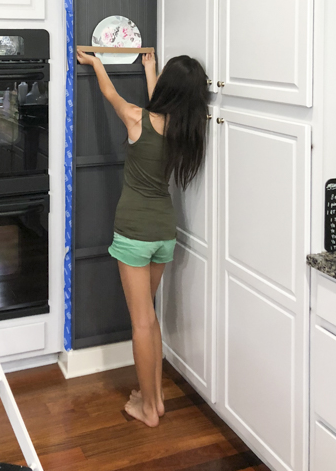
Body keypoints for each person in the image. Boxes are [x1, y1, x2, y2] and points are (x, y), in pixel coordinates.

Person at [76, 48, 209, 427]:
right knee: (150, 318)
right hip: (164, 234)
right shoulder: (185, 132)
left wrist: (96, 63)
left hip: (134, 234)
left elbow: (110, 94)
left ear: (168, 87)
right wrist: (150, 69)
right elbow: (160, 110)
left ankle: (148, 409)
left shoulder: (137, 119)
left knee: (140, 323)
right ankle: (156, 398)